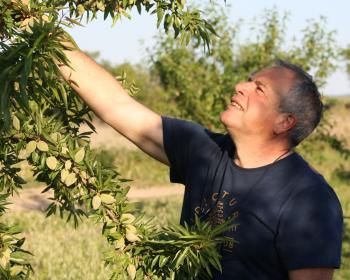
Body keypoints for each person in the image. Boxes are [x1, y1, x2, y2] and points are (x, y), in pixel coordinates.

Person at [58, 41, 343, 280]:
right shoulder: (203, 150)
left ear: (284, 122)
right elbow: (117, 106)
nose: (240, 86)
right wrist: (45, 32)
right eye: (248, 80)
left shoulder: (310, 200)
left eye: (259, 89)